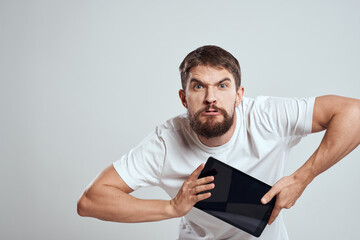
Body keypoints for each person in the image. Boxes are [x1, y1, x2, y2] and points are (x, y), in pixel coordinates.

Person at [77, 45, 360, 239]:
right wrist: (172, 208)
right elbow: (90, 200)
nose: (211, 97)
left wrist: (302, 178)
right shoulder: (165, 142)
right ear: (183, 97)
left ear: (239, 95)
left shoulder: (266, 116)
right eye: (199, 86)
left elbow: (354, 113)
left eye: (222, 86)